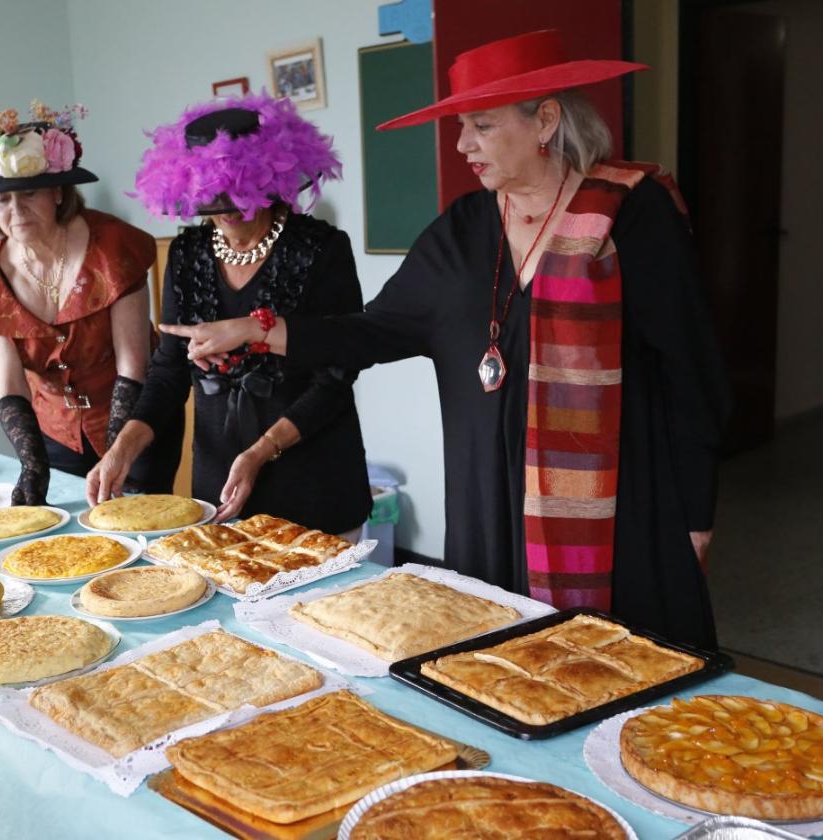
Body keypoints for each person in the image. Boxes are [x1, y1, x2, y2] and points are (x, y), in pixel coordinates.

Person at [161, 31, 731, 648]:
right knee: (502, 665)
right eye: (463, 126)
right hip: (486, 504)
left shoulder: (634, 215)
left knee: (621, 666)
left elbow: (691, 374)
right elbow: (371, 331)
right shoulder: (463, 229)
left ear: (544, 120)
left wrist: (696, 513)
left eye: (481, 126)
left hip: (618, 510)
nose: (462, 145)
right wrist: (259, 330)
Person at [86, 94, 372, 536]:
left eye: (240, 194)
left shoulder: (322, 249)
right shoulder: (186, 253)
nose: (226, 212)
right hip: (219, 485)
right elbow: (168, 373)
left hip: (314, 483)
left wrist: (261, 452)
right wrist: (123, 447)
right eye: (212, 199)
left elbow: (336, 375)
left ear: (270, 178)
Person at [0, 103, 181, 505]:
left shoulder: (114, 248)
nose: (15, 210)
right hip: (54, 432)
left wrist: (115, 455)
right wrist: (32, 464)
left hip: (136, 424)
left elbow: (133, 364)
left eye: (28, 193)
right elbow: (9, 384)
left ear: (57, 191)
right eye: (2, 201)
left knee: (142, 527)